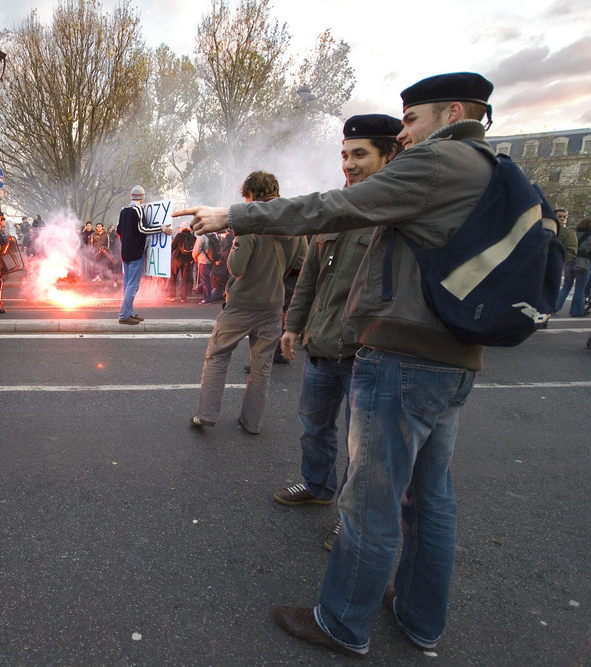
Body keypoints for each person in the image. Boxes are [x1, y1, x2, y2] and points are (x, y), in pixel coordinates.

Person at [177, 72, 505, 658]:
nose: (406, 136)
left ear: (453, 111)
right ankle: (419, 619)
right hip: (452, 356)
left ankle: (343, 622)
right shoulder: (489, 167)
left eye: (410, 121)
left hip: (405, 356)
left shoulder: (434, 164)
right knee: (429, 499)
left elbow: (330, 207)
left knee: (372, 502)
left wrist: (235, 215)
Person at [273, 114, 404, 552]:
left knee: (363, 447)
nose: (348, 164)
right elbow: (309, 275)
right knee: (314, 425)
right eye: (345, 154)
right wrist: (293, 326)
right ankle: (317, 485)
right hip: (322, 346)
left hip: (369, 352)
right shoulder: (335, 211)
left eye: (360, 154)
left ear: (391, 154)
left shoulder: (397, 211)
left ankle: (351, 522)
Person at [190, 171, 306, 434]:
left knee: (218, 355)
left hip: (242, 304)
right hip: (273, 305)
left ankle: (206, 414)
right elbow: (301, 265)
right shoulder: (293, 226)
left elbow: (236, 267)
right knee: (261, 367)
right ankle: (252, 423)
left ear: (251, 195)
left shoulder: (252, 223)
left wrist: (233, 246)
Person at [116, 185, 171, 324]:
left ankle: (129, 312)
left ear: (131, 196)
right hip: (136, 252)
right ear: (142, 196)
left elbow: (118, 230)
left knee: (127, 284)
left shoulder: (124, 210)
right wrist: (161, 228)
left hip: (125, 252)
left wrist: (127, 239)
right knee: (133, 286)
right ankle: (124, 316)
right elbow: (142, 228)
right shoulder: (138, 209)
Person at [555, 217, 591, 317]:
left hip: (569, 261)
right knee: (580, 288)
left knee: (566, 285)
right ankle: (577, 311)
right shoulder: (589, 236)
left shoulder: (573, 233)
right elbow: (585, 249)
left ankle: (555, 306)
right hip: (583, 263)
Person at [168, 222, 195, 302]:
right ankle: (183, 297)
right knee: (185, 279)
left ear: (183, 228)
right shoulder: (193, 237)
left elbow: (173, 246)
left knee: (173, 277)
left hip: (177, 259)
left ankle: (172, 296)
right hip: (188, 260)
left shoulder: (179, 236)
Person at [192, 232, 218, 304]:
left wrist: (195, 257)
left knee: (205, 280)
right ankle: (208, 296)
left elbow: (197, 249)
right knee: (209, 279)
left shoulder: (201, 237)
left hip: (203, 260)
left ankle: (206, 298)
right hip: (212, 260)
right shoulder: (212, 235)